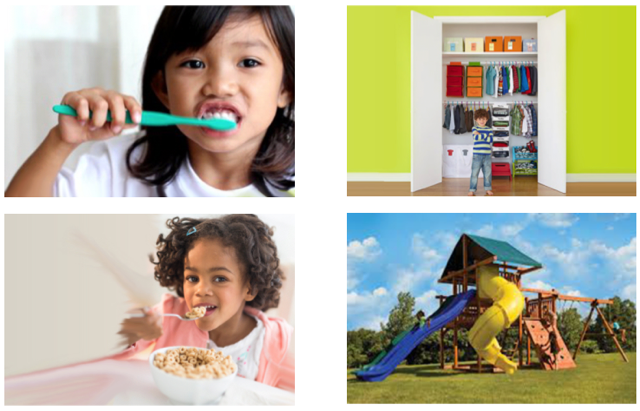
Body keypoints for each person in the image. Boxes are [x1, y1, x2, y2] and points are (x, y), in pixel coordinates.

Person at [6, 6, 295, 197]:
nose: (219, 85)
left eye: (248, 61)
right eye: (194, 64)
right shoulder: (117, 169)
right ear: (162, 90)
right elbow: (16, 229)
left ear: (287, 88)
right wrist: (61, 141)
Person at [111, 215, 293, 390]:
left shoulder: (274, 342)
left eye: (220, 278)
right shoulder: (169, 315)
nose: (201, 290)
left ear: (250, 288)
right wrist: (130, 331)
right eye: (192, 278)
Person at [467, 109, 494, 196]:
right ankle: (472, 189)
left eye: (483, 119)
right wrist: (486, 136)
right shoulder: (474, 128)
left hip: (487, 155)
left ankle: (488, 188)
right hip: (477, 155)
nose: (482, 121)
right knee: (474, 173)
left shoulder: (489, 129)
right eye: (479, 119)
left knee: (487, 173)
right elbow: (476, 137)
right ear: (476, 119)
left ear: (487, 119)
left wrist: (481, 135)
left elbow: (491, 140)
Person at [542, 306, 561, 370]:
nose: (543, 311)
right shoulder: (547, 313)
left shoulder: (548, 311)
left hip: (554, 317)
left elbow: (550, 317)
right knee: (552, 325)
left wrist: (547, 320)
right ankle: (556, 365)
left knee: (553, 326)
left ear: (546, 309)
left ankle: (556, 366)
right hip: (553, 317)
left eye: (544, 309)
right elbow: (546, 317)